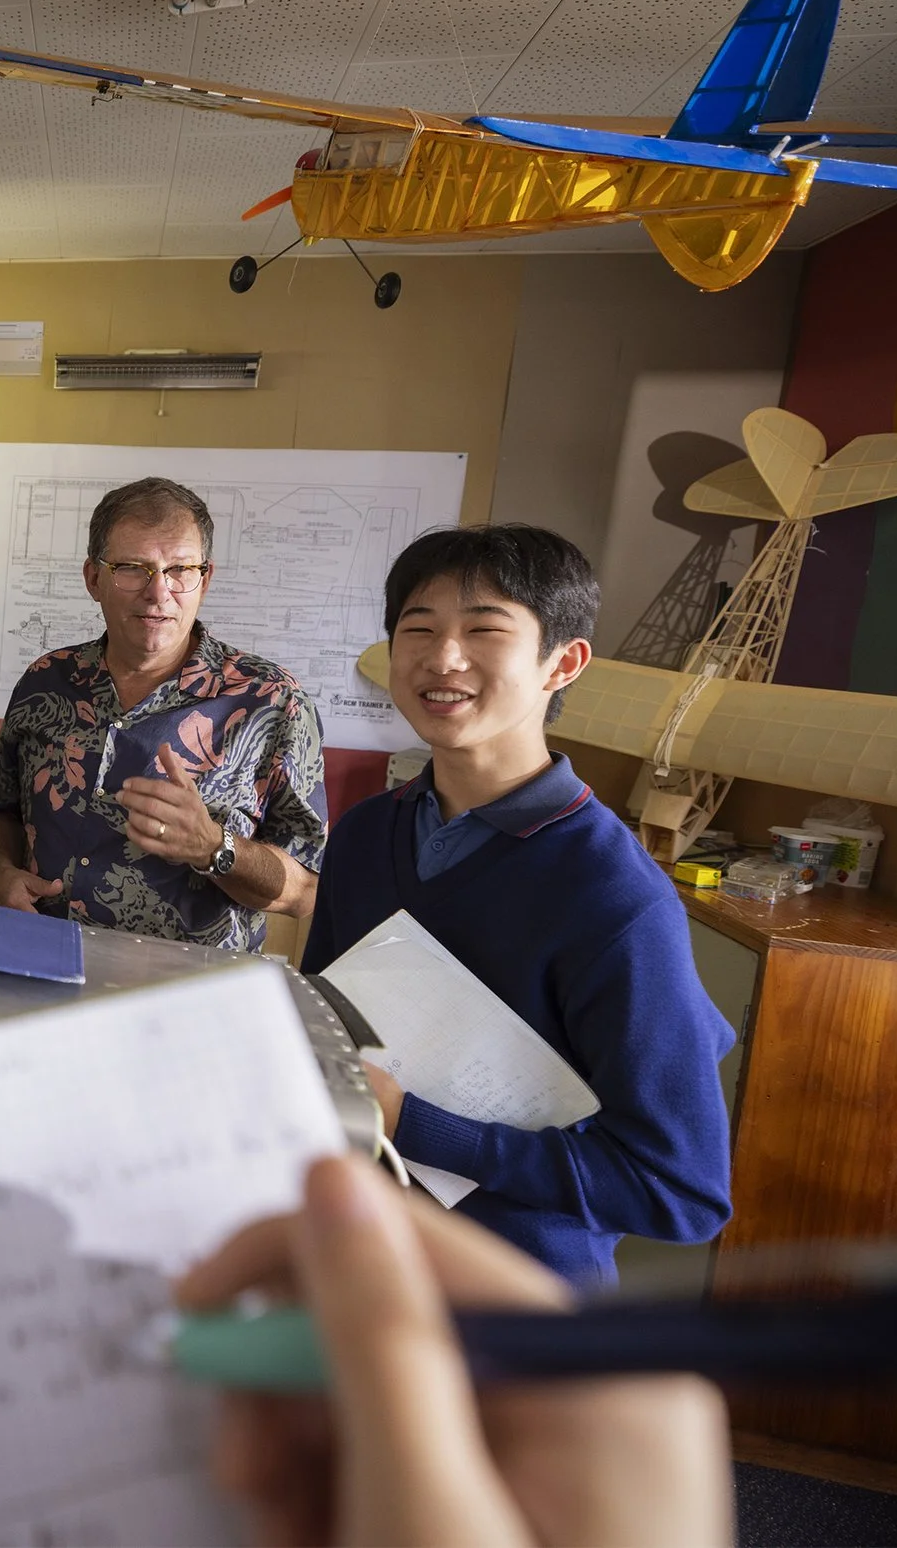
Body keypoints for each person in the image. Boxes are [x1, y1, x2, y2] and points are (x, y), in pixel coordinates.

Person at [304, 525, 733, 1284]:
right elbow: (329, 1042)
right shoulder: (369, 833)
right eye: (419, 629)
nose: (443, 659)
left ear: (561, 663)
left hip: (516, 1304)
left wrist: (416, 1125)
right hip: (364, 1259)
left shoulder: (612, 891)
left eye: (483, 630)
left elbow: (679, 1191)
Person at [179, 1153, 733, 1547]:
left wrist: (420, 1120)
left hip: (528, 1320)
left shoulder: (638, 985)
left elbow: (687, 1195)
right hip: (455, 1322)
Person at [0, 476, 325, 950]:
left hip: (188, 996)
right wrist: (0, 875)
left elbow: (305, 890)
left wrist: (212, 846)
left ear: (205, 579)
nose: (158, 592)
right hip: (42, 962)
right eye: (132, 568)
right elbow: (0, 810)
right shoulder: (47, 680)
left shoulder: (270, 701)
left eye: (180, 569)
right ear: (93, 579)